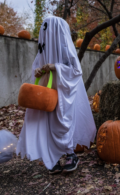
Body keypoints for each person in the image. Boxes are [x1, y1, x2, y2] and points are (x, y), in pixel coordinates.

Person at [16, 16, 97, 174]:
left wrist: (56, 67)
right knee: (47, 123)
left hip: (64, 92)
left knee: (62, 122)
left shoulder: (65, 48)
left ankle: (70, 154)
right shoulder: (44, 49)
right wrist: (38, 70)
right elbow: (38, 63)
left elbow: (76, 70)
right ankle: (50, 157)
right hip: (47, 92)